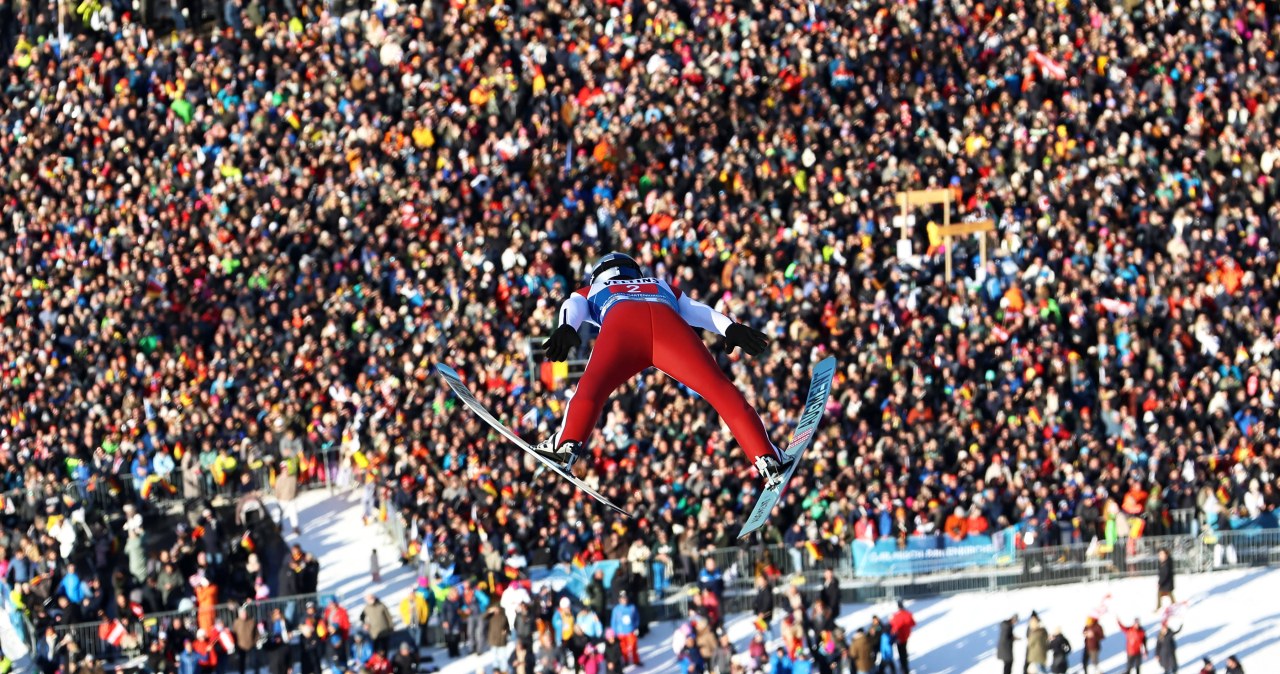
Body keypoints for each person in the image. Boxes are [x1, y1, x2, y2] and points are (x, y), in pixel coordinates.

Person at [536, 252, 781, 485]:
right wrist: (730, 328)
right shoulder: (659, 284)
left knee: (591, 389)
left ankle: (566, 445)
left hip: (622, 326)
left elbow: (573, 304)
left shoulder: (595, 288)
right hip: (669, 328)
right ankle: (766, 456)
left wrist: (566, 326)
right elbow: (699, 310)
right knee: (719, 389)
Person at [610, 591, 641, 666]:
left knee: (634, 646)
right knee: (623, 649)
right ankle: (626, 660)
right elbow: (613, 622)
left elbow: (637, 618)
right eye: (622, 599)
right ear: (619, 600)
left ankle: (636, 660)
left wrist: (636, 627)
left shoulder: (632, 607)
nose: (624, 600)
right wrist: (614, 632)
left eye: (625, 598)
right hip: (620, 632)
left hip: (631, 631)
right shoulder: (616, 609)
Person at [889, 601, 916, 674]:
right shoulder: (908, 614)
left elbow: (891, 625)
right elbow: (913, 623)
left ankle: (904, 667)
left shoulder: (895, 616)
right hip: (905, 636)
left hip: (898, 637)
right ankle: (905, 666)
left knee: (901, 653)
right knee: (904, 651)